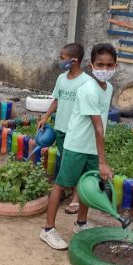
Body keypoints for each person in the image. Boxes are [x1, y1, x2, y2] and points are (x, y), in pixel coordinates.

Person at [39, 43, 118, 250]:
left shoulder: (108, 88)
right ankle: (47, 230)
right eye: (100, 64)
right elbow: (98, 127)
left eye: (110, 65)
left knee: (87, 185)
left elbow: (101, 125)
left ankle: (80, 224)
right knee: (62, 184)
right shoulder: (87, 90)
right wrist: (103, 161)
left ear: (115, 66)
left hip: (92, 146)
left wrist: (99, 156)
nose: (105, 69)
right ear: (91, 65)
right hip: (76, 145)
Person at [37, 43, 90, 215]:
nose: (59, 61)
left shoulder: (87, 82)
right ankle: (64, 189)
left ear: (74, 60)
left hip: (77, 131)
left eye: (62, 58)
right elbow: (57, 100)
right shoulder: (61, 78)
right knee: (65, 160)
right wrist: (45, 117)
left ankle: (76, 197)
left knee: (78, 164)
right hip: (61, 128)